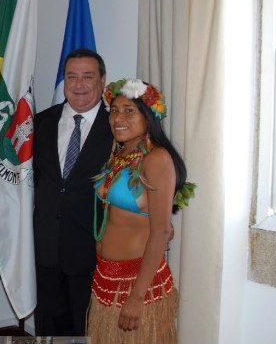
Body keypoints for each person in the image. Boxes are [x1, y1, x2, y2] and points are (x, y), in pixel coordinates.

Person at [87, 78, 195, 343]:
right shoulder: (121, 154)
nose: (118, 118)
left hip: (137, 282)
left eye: (129, 111)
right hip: (106, 276)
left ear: (149, 116)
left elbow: (161, 231)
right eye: (114, 110)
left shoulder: (156, 158)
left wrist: (136, 297)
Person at [33, 48, 114, 336]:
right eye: (72, 76)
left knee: (87, 331)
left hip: (92, 253)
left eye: (87, 76)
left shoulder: (118, 128)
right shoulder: (40, 123)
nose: (79, 84)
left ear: (102, 81)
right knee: (48, 331)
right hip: (45, 249)